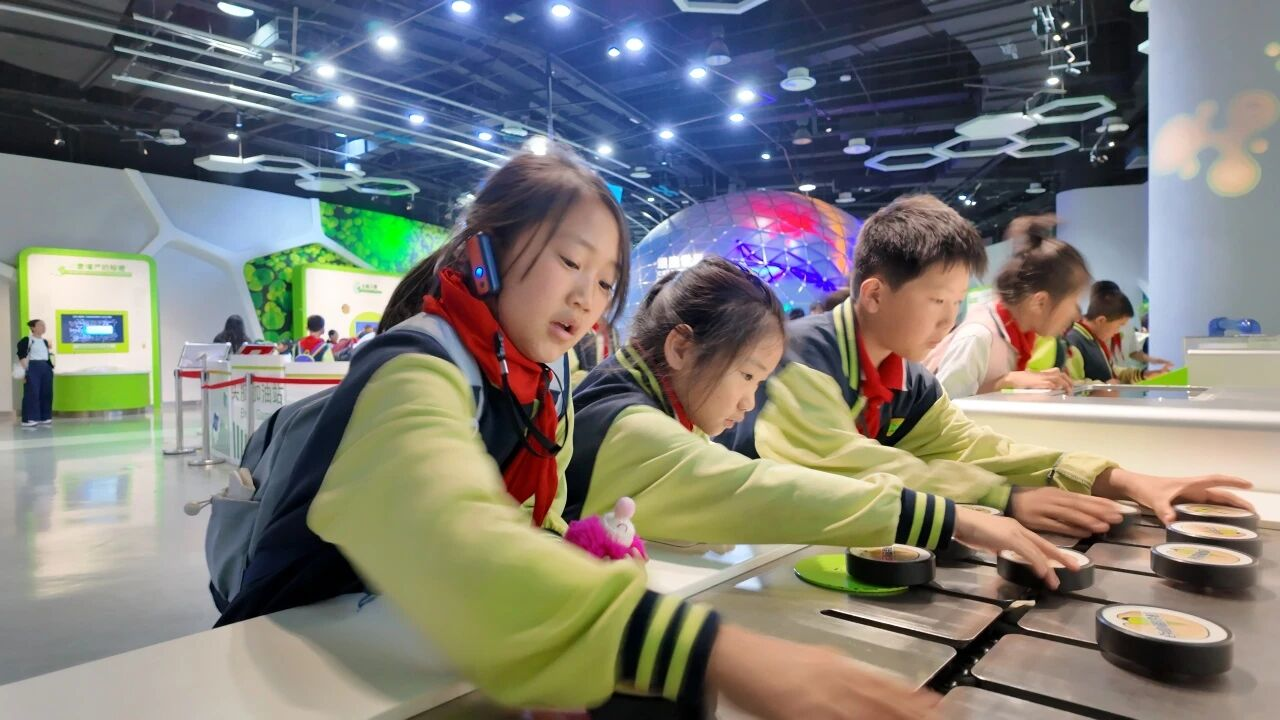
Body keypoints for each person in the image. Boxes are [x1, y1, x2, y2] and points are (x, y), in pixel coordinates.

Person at [215, 148, 940, 720]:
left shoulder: (545, 378)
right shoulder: (412, 366)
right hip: (299, 668)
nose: (585, 298)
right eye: (569, 261)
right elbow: (450, 527)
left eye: (604, 282)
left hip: (413, 646)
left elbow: (539, 523)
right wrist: (704, 651)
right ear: (487, 249)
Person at [722, 195, 1253, 536]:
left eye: (956, 302)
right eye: (936, 301)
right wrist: (1002, 498)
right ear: (875, 294)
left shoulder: (910, 378)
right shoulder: (797, 355)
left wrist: (1120, 479)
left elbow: (978, 446)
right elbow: (843, 464)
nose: (948, 320)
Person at [568, 256, 1076, 575]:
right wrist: (950, 515)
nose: (947, 321)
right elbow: (754, 486)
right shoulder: (628, 420)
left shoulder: (637, 388)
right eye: (747, 376)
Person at [926, 215, 1083, 397]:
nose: (1076, 315)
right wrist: (1006, 381)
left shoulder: (1014, 334)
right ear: (1040, 301)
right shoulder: (979, 336)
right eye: (1073, 301)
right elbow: (939, 405)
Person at [1064, 282, 1145, 384]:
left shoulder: (1093, 339)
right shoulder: (1074, 342)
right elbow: (1071, 385)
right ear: (1101, 320)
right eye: (1119, 325)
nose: (1117, 331)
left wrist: (1142, 375)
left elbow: (1109, 371)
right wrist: (1105, 386)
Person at [17, 319, 54, 427]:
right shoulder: (27, 340)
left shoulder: (45, 341)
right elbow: (21, 355)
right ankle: (29, 418)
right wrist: (26, 371)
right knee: (32, 393)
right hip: (33, 367)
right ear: (32, 327)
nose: (43, 327)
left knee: (46, 392)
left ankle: (44, 416)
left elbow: (47, 356)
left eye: (44, 325)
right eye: (40, 325)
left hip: (45, 367)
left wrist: (50, 368)